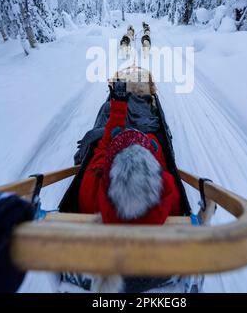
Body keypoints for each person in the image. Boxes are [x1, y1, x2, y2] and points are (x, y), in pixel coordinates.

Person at [78, 82, 181, 224]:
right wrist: (149, 140)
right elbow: (161, 165)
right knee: (149, 127)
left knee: (106, 110)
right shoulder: (167, 187)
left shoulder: (92, 190)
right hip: (145, 127)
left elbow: (102, 149)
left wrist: (118, 109)